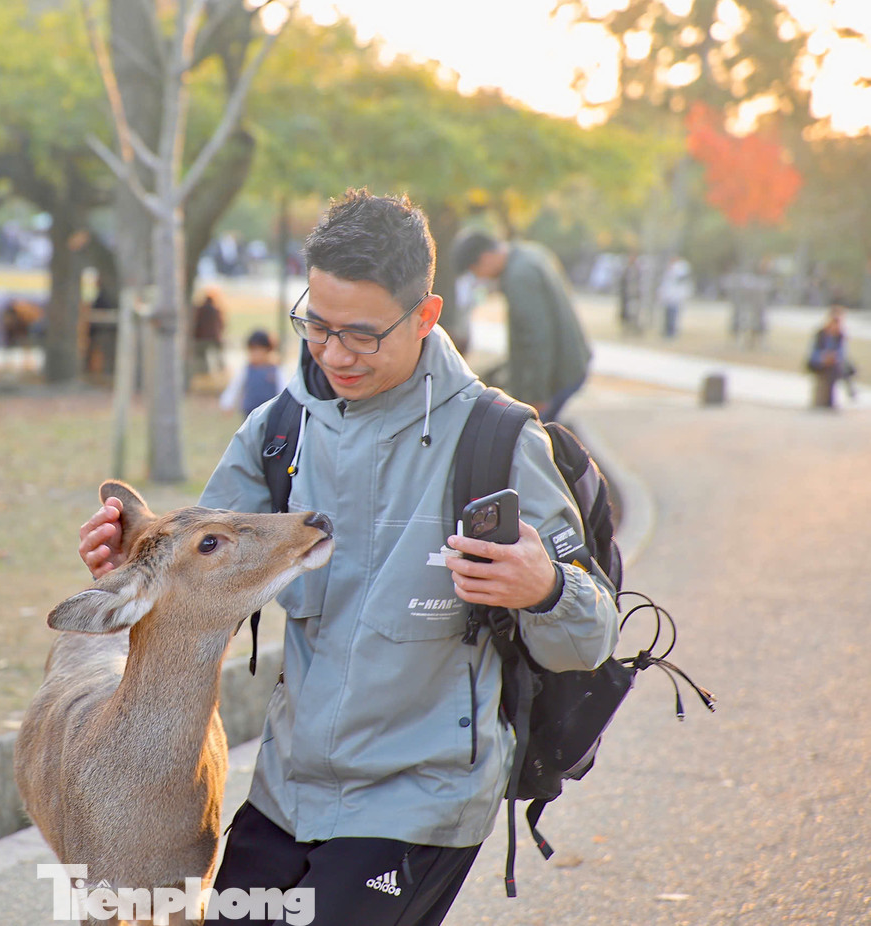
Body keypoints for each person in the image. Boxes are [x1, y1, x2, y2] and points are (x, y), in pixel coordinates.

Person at [78, 190, 619, 925]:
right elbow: (196, 571)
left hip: (416, 802)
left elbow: (590, 637)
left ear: (426, 316)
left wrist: (547, 588)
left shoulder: (499, 443)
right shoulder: (278, 430)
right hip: (286, 791)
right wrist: (128, 551)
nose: (332, 354)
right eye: (317, 325)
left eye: (360, 335)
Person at [452, 230, 592, 423]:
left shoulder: (519, 276)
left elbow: (537, 338)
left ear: (485, 258)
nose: (480, 279)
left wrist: (537, 395)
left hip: (557, 376)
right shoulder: (530, 253)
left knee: (537, 440)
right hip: (569, 364)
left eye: (475, 272)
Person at [219, 328, 288, 418]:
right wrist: (227, 403)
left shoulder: (275, 370)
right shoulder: (247, 370)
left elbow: (283, 388)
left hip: (270, 413)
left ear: (268, 350)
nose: (255, 354)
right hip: (250, 413)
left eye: (259, 350)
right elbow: (235, 386)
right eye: (252, 350)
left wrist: (284, 407)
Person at [808, 304, 857, 409]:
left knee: (836, 367)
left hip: (834, 364)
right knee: (831, 368)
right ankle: (828, 401)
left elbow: (842, 354)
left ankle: (829, 401)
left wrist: (833, 357)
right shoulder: (821, 334)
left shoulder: (840, 336)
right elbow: (812, 354)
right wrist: (823, 357)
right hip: (819, 362)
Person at [192, 288, 227, 375]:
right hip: (214, 336)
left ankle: (204, 372)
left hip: (202, 337)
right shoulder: (216, 310)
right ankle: (222, 371)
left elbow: (196, 323)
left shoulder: (200, 310)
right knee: (218, 355)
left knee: (202, 357)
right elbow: (221, 324)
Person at [658, 254, 693, 339]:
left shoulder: (681, 268)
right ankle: (667, 331)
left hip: (676, 297)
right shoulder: (669, 269)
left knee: (674, 315)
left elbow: (682, 279)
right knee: (667, 315)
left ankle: (672, 332)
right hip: (668, 297)